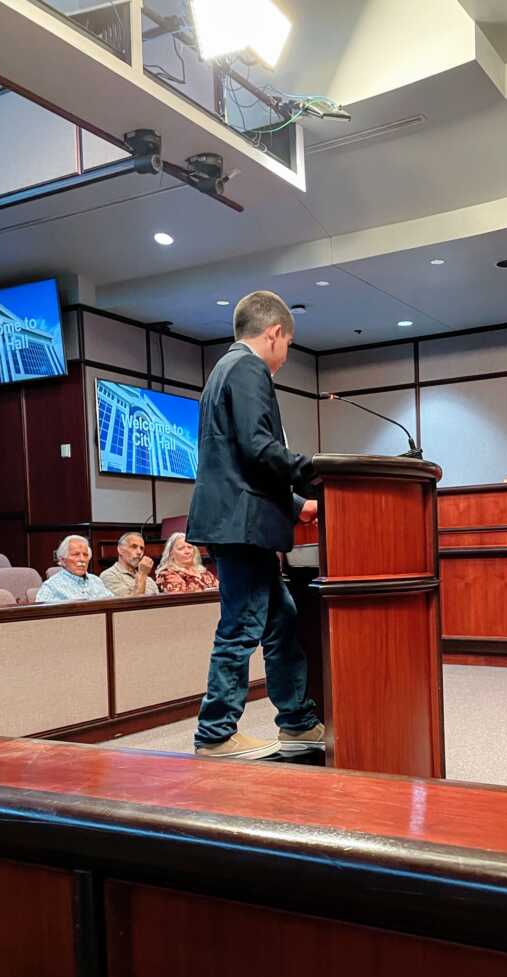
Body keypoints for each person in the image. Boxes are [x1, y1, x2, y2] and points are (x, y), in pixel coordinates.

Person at [187, 289, 324, 762]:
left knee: (280, 620)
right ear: (274, 333)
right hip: (240, 526)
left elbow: (239, 462)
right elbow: (259, 448)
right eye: (287, 345)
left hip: (242, 521)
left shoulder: (222, 370)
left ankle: (298, 723)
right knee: (241, 627)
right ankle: (215, 733)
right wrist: (315, 473)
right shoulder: (247, 368)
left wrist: (295, 504)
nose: (285, 358)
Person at [35, 535, 113, 604]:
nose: (82, 559)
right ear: (62, 560)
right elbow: (38, 615)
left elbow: (113, 606)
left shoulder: (96, 581)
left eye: (85, 555)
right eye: (76, 554)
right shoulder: (51, 586)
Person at [100, 531, 158, 598]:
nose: (139, 552)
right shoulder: (109, 575)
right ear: (120, 550)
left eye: (141, 548)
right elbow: (132, 604)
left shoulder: (149, 580)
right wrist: (142, 574)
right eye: (134, 547)